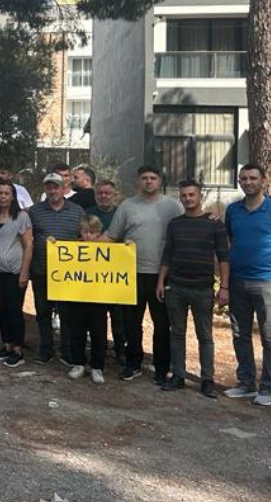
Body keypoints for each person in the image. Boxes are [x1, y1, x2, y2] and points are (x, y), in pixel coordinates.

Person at [222, 164, 271, 407]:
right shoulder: (232, 211)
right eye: (243, 178)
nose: (248, 182)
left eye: (253, 178)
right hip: (238, 281)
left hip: (267, 283)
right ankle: (246, 383)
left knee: (270, 336)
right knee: (240, 334)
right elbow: (230, 241)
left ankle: (268, 388)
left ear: (262, 181)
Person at [103, 165, 184, 383]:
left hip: (161, 276)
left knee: (162, 325)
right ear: (138, 181)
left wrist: (209, 218)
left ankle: (161, 368)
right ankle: (133, 363)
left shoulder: (173, 206)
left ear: (160, 181)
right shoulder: (127, 206)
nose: (148, 181)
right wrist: (81, 246)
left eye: (153, 178)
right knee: (131, 323)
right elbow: (111, 236)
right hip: (131, 275)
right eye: (144, 178)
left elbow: (189, 224)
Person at [158, 180, 230, 398]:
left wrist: (224, 287)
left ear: (200, 196)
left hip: (203, 289)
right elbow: (167, 254)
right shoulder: (175, 224)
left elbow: (224, 257)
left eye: (192, 194)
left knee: (205, 335)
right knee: (177, 333)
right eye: (184, 195)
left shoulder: (214, 224)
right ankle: (178, 375)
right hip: (176, 287)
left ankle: (207, 379)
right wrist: (161, 281)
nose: (188, 198)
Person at [24, 172, 85, 365]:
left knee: (67, 313)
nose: (52, 191)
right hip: (41, 270)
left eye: (56, 187)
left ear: (63, 188)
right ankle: (46, 348)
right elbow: (27, 239)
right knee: (43, 312)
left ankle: (66, 350)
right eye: (49, 187)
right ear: (45, 189)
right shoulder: (34, 211)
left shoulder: (77, 211)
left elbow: (84, 237)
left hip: (68, 273)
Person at [0, 181, 32, 367]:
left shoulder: (22, 217)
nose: (3, 196)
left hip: (15, 272)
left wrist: (24, 272)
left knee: (14, 310)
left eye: (6, 193)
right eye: (0, 193)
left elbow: (28, 245)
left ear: (13, 196)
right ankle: (6, 345)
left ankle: (18, 349)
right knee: (1, 309)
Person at [63, 216, 110, 385]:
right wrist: (53, 244)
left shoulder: (109, 250)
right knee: (77, 331)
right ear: (80, 232)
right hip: (77, 297)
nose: (89, 235)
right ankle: (78, 363)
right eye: (85, 231)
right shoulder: (72, 249)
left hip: (99, 299)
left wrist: (127, 246)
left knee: (99, 334)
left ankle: (97, 366)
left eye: (93, 232)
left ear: (99, 232)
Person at [87, 179, 126, 364]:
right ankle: (99, 349)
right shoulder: (88, 213)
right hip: (93, 274)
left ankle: (120, 349)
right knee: (97, 316)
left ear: (114, 195)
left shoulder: (122, 213)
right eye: (100, 193)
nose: (103, 196)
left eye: (107, 193)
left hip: (116, 273)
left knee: (118, 316)